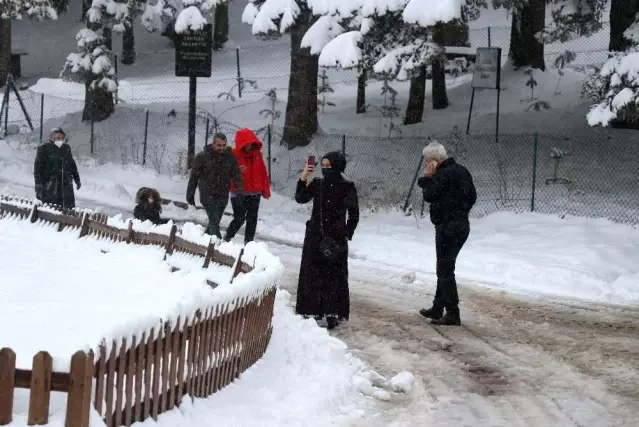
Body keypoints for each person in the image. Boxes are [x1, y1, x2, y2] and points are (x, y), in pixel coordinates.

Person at [294, 151, 359, 330]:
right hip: (320, 236)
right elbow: (300, 198)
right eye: (322, 166)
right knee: (320, 275)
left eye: (328, 166)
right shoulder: (319, 184)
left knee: (329, 275)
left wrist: (346, 233)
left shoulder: (345, 186)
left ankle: (328, 311)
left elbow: (354, 213)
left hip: (331, 237)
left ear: (338, 166)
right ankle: (320, 310)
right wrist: (303, 176)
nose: (324, 169)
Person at [417, 140, 476, 326]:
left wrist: (427, 177)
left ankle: (452, 313)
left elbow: (428, 195)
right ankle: (437, 307)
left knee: (444, 269)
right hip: (462, 226)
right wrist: (461, 211)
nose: (426, 165)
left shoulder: (442, 174)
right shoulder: (462, 170)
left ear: (434, 160)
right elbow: (472, 196)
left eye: (427, 161)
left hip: (447, 227)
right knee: (445, 267)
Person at [186, 133, 244, 239]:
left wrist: (240, 191)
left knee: (214, 223)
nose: (221, 148)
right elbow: (193, 178)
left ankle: (201, 242)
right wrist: (190, 196)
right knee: (214, 222)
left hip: (222, 195)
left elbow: (236, 175)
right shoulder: (202, 157)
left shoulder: (230, 157)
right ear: (213, 144)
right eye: (219, 145)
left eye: (224, 145)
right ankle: (219, 246)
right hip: (207, 194)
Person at [224, 128, 271, 244]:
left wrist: (266, 190)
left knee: (252, 220)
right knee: (239, 218)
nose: (249, 145)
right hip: (238, 192)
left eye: (251, 142)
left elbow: (263, 173)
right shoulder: (233, 155)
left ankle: (248, 244)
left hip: (255, 192)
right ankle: (226, 239)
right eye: (247, 142)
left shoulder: (257, 155)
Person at [33, 127, 81, 209]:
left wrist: (77, 179)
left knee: (67, 208)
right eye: (58, 137)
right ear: (52, 137)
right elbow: (38, 168)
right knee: (51, 209)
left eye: (62, 137)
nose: (60, 139)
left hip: (66, 185)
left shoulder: (66, 148)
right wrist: (38, 183)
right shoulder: (44, 149)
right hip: (50, 185)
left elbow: (72, 164)